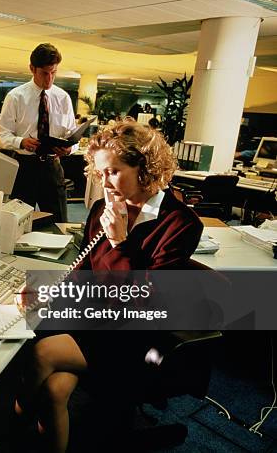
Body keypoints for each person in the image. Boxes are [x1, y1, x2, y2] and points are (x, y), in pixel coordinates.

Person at [15, 121, 203, 453]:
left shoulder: (180, 224)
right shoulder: (103, 208)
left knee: (41, 351)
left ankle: (7, 432)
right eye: (100, 173)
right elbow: (85, 273)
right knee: (55, 389)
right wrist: (49, 292)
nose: (104, 182)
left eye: (114, 172)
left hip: (135, 334)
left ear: (145, 168)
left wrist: (120, 244)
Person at [0, 43, 76, 223]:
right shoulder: (16, 97)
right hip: (24, 168)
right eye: (44, 73)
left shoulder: (62, 98)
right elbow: (0, 136)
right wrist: (21, 142)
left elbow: (72, 134)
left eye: (53, 73)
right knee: (18, 223)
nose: (49, 79)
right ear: (32, 69)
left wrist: (70, 148)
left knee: (59, 222)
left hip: (52, 167)